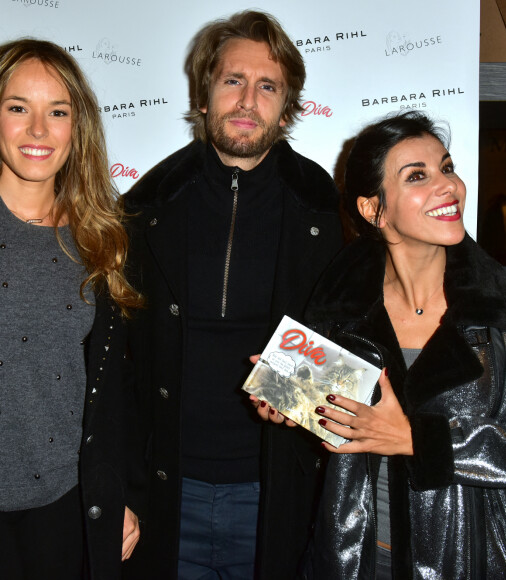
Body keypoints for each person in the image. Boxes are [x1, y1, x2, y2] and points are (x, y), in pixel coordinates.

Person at [122, 10, 343, 580]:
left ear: (288, 105)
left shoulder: (329, 211)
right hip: (165, 495)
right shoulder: (144, 209)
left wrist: (306, 400)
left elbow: (361, 343)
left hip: (281, 497)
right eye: (232, 81)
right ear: (204, 95)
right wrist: (120, 484)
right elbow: (111, 363)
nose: (248, 100)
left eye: (267, 86)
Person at [255, 111, 506, 579]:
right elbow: (344, 440)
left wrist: (416, 439)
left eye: (447, 168)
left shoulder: (498, 310)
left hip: (468, 561)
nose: (448, 186)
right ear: (374, 210)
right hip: (355, 557)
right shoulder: (339, 309)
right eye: (418, 176)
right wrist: (297, 408)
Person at [0, 39, 145, 579]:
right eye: (19, 108)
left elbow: (113, 393)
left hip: (69, 515)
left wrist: (116, 491)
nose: (39, 131)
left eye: (58, 112)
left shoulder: (106, 240)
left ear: (79, 127)